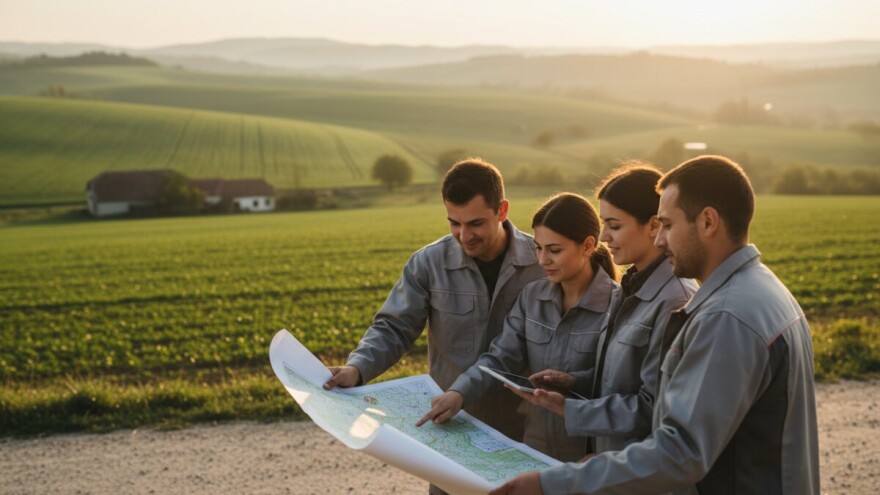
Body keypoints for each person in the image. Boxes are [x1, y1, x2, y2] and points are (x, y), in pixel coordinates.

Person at [491, 155, 820, 495]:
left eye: (667, 225)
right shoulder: (763, 289)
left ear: (708, 221)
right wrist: (576, 387)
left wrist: (553, 483)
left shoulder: (725, 317)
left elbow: (680, 451)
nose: (660, 240)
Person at [323, 158, 545, 444]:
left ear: (502, 210)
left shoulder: (542, 263)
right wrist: (358, 367)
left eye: (476, 223)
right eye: (454, 223)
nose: (464, 236)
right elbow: (394, 327)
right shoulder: (428, 263)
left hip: (523, 424)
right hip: (451, 420)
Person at [509, 164, 698, 454]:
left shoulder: (674, 300)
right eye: (603, 224)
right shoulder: (631, 287)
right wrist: (577, 381)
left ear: (653, 226)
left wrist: (569, 409)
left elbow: (654, 408)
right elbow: (624, 381)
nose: (604, 237)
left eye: (614, 225)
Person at [417, 192, 620, 462]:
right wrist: (459, 393)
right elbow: (500, 357)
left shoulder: (618, 306)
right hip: (534, 449)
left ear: (587, 246)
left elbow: (621, 388)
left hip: (589, 456)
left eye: (554, 250)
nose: (542, 260)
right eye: (538, 247)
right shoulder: (531, 297)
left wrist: (603, 454)